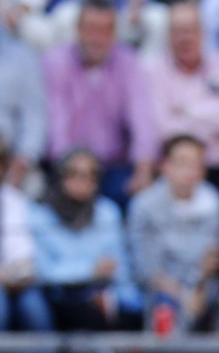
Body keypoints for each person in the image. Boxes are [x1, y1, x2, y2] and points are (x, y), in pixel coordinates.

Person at [42, 0, 160, 205]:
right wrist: (73, 170)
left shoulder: (128, 62)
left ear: (114, 33)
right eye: (91, 29)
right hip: (67, 166)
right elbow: (56, 122)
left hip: (113, 165)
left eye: (105, 30)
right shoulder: (55, 62)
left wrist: (144, 166)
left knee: (140, 195)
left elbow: (142, 118)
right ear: (78, 29)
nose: (97, 38)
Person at [148, 0, 219, 187]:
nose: (185, 38)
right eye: (178, 31)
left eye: (190, 30)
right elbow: (162, 128)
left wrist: (189, 111)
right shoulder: (152, 71)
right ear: (168, 35)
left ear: (203, 32)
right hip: (176, 174)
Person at [28, 151, 142, 330]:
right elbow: (43, 271)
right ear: (60, 177)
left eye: (91, 176)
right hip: (60, 296)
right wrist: (89, 271)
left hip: (104, 294)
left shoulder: (107, 212)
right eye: (75, 174)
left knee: (133, 314)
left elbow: (120, 266)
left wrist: (118, 300)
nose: (84, 182)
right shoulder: (41, 216)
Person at [127, 134, 219, 326]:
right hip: (158, 288)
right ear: (165, 166)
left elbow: (210, 256)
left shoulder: (212, 201)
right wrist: (184, 296)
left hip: (202, 284)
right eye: (182, 162)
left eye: (196, 164)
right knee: (164, 306)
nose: (190, 170)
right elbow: (147, 269)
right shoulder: (144, 205)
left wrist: (199, 285)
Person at [1, 133, 52, 334]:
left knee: (34, 308)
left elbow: (25, 255)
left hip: (17, 281)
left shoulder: (17, 202)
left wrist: (13, 276)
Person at [0, 30, 47, 188]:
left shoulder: (22, 57)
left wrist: (24, 158)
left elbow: (34, 115)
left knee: (33, 185)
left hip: (8, 157)